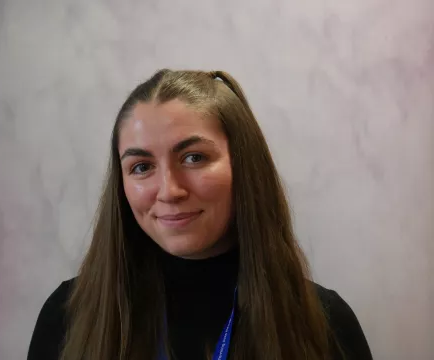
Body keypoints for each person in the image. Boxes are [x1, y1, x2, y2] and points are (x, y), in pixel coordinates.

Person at [27, 70, 372, 360]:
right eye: (142, 166)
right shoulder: (66, 316)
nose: (169, 190)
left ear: (245, 166)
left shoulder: (326, 325)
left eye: (194, 158)